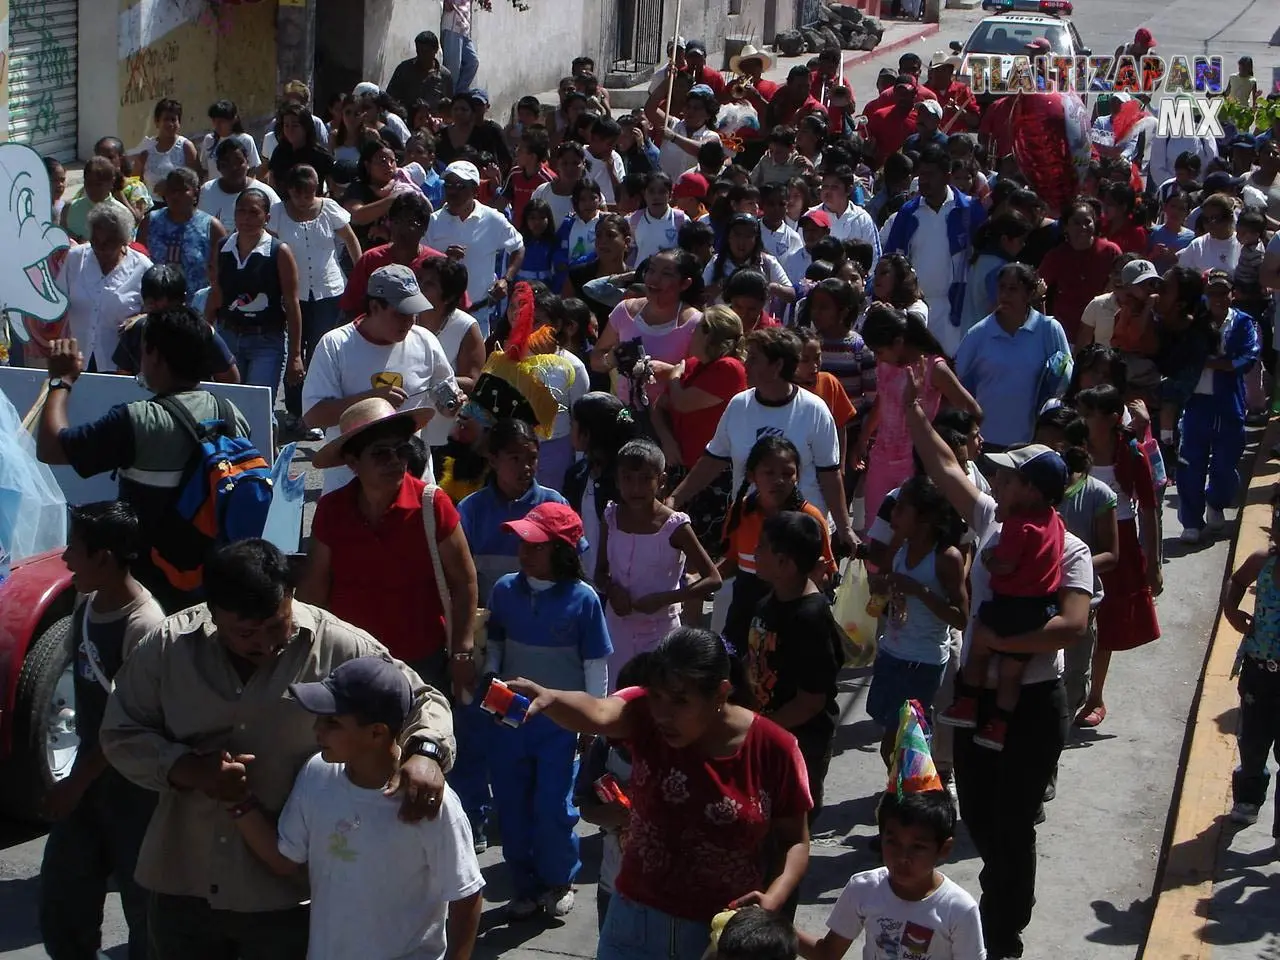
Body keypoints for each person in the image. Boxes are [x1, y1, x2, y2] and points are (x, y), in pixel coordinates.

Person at [98, 538, 454, 960]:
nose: (265, 645)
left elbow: (423, 701)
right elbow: (119, 731)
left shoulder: (339, 645)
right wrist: (185, 769)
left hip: (286, 898)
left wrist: (426, 753)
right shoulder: (168, 647)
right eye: (245, 633)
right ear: (213, 614)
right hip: (184, 882)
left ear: (291, 597)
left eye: (276, 626)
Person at [907, 377, 1094, 959]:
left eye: (1010, 474)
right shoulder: (989, 518)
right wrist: (915, 406)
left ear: (1031, 490)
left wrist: (999, 640)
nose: (997, 479)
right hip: (976, 699)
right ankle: (999, 908)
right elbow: (943, 470)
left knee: (1014, 824)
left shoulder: (1071, 551)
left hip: (1033, 704)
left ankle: (1003, 931)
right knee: (982, 818)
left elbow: (1073, 625)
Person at [509, 627, 813, 960]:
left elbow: (794, 840)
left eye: (681, 701)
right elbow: (598, 712)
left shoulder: (775, 749)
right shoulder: (644, 715)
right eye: (656, 696)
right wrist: (552, 699)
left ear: (721, 693)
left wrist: (772, 899)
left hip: (717, 939)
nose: (663, 714)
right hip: (633, 924)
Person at [230, 654, 483, 960]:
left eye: (332, 722)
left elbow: (466, 893)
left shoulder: (428, 802)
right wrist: (238, 801)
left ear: (377, 732)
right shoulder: (317, 773)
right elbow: (285, 859)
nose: (317, 731)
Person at [37, 310, 252, 612]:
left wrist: (61, 381)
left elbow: (51, 448)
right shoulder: (232, 415)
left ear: (154, 355)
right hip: (213, 588)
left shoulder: (137, 420)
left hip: (148, 595)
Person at [38, 502, 166, 960]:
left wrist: (73, 785)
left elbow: (128, 726)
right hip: (88, 788)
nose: (66, 557)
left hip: (131, 793)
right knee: (64, 902)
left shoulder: (144, 625)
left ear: (105, 558)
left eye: (75, 548)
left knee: (144, 914)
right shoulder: (87, 603)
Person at [483, 502, 613, 918]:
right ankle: (524, 885)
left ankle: (559, 879)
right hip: (509, 718)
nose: (524, 552)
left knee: (554, 805)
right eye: (522, 542)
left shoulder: (584, 599)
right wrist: (487, 676)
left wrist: (593, 720)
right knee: (512, 803)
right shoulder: (504, 589)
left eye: (535, 545)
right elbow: (496, 645)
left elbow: (596, 665)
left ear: (562, 552)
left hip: (561, 723)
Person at [298, 397, 478, 695]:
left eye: (402, 450)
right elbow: (316, 587)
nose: (395, 461)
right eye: (381, 454)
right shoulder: (332, 509)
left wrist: (462, 652)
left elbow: (465, 581)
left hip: (422, 663)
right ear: (353, 463)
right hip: (349, 659)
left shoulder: (432, 505)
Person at [672, 328, 857, 550]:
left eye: (754, 358)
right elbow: (713, 460)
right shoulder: (739, 405)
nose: (745, 364)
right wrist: (675, 498)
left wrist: (845, 529)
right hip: (750, 529)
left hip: (800, 532)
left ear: (777, 366)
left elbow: (830, 475)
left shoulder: (814, 410)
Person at [940, 446, 1067, 752]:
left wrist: (989, 560)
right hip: (1038, 612)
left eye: (1008, 481)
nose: (997, 483)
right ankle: (998, 726)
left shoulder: (1017, 526)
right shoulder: (1054, 521)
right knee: (1012, 673)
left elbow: (1006, 565)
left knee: (981, 646)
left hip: (1010, 608)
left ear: (1031, 490)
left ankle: (967, 704)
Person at [303, 264, 457, 494]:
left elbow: (446, 399)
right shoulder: (335, 345)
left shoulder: (425, 341)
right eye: (400, 313)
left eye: (413, 312)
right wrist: (371, 400)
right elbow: (313, 416)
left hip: (414, 482)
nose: (409, 321)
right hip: (350, 485)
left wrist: (451, 406)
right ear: (374, 306)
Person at [798, 770, 983, 960]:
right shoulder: (863, 888)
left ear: (944, 849)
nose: (902, 857)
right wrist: (772, 921)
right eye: (892, 842)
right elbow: (827, 953)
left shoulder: (959, 909)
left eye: (917, 847)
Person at [598, 440, 720, 686]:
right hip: (617, 628)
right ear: (617, 479)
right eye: (628, 478)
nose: (635, 487)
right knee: (619, 696)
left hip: (661, 631)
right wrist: (612, 590)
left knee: (659, 697)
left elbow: (713, 579)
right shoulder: (611, 518)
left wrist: (664, 599)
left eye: (645, 479)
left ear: (661, 480)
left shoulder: (675, 527)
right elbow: (600, 572)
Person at [747, 511, 845, 816]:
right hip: (768, 732)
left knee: (790, 821)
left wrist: (760, 728)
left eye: (762, 547)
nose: (754, 552)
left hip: (801, 742)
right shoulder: (769, 601)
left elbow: (811, 700)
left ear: (785, 564)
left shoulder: (810, 618)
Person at [868, 474, 967, 758]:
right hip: (892, 654)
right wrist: (885, 582)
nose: (893, 515)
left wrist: (920, 591)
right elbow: (879, 585)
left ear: (924, 518)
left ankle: (914, 794)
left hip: (922, 663)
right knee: (892, 737)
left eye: (901, 509)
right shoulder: (901, 547)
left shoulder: (946, 558)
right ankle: (905, 791)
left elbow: (961, 618)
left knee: (902, 745)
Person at [859, 303, 979, 520]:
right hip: (881, 460)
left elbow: (972, 409)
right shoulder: (886, 365)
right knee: (874, 530)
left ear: (898, 343)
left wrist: (962, 447)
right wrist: (864, 436)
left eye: (879, 351)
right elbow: (882, 401)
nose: (877, 358)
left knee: (911, 530)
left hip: (917, 463)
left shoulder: (935, 368)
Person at [272, 164, 363, 436]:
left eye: (311, 192)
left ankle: (316, 413)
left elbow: (350, 239)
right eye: (300, 194)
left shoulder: (330, 208)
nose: (305, 199)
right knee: (294, 350)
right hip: (292, 293)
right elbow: (272, 248)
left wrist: (360, 273)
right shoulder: (277, 213)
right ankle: (294, 410)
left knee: (319, 351)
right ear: (289, 191)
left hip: (328, 291)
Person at [1176, 269, 1259, 543]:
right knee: (1191, 462)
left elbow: (1247, 358)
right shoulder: (1193, 323)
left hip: (1228, 402)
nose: (1219, 299)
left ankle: (1216, 502)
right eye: (1213, 293)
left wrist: (1213, 362)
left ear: (1232, 293)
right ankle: (1191, 521)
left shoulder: (1243, 322)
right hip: (1197, 402)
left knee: (1226, 462)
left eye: (1224, 292)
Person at [205, 188, 305, 413]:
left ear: (266, 218)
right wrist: (205, 333)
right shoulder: (222, 247)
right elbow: (216, 293)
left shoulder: (279, 252)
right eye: (241, 212)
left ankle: (266, 448)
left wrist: (296, 355)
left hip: (266, 341)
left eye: (253, 212)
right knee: (228, 407)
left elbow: (291, 303)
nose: (246, 218)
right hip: (228, 337)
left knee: (258, 410)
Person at [954, 264, 1073, 451]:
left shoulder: (1049, 330)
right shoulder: (978, 334)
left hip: (1034, 444)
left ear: (1029, 293)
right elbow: (955, 378)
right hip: (986, 442)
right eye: (1002, 287)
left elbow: (1065, 381)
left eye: (1013, 289)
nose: (1005, 295)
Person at [882, 145, 985, 358]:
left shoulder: (969, 210)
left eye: (930, 175)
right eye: (921, 174)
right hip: (917, 310)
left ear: (947, 176)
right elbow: (892, 258)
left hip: (959, 309)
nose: (924, 181)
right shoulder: (908, 213)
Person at [573, 654, 648, 931]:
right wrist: (606, 813)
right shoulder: (605, 748)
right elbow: (585, 806)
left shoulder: (678, 753)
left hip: (665, 892)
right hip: (614, 881)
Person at [1221, 492, 1280, 837]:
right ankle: (1248, 799)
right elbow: (1237, 582)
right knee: (1254, 740)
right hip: (1259, 670)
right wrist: (1232, 611)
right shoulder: (1262, 560)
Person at [591, 248, 704, 406]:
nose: (654, 279)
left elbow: (702, 381)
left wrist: (668, 372)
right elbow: (596, 359)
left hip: (669, 418)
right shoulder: (624, 311)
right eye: (651, 270)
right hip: (624, 412)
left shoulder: (696, 323)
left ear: (685, 284)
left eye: (666, 274)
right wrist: (611, 359)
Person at [426, 160, 526, 336]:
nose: (453, 191)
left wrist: (506, 279)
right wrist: (442, 258)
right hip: (438, 314)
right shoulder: (432, 222)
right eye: (448, 185)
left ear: (475, 190)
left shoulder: (492, 219)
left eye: (460, 186)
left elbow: (518, 247)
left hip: (478, 315)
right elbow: (421, 264)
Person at [55, 204, 152, 371]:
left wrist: (142, 318)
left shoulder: (143, 267)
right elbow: (58, 300)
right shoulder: (76, 258)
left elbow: (158, 314)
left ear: (124, 240)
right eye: (95, 241)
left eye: (108, 243)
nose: (100, 248)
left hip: (120, 366)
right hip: (77, 360)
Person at [112, 264, 239, 384]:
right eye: (156, 311)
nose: (164, 319)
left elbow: (231, 381)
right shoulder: (134, 331)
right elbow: (123, 383)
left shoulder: (202, 332)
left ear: (183, 300)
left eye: (169, 310)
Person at [565, 393, 644, 581]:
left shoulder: (624, 481)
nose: (570, 430)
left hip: (618, 584)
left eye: (573, 424)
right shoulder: (577, 474)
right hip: (584, 578)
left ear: (588, 433)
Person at [340, 192, 446, 317]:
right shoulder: (370, 259)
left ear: (424, 228)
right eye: (397, 221)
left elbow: (457, 309)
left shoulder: (439, 265)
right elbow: (351, 306)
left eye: (411, 222)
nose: (402, 228)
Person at [1039, 199, 1121, 342]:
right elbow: (1038, 287)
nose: (1083, 227)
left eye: (1087, 222)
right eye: (1076, 223)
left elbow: (1124, 283)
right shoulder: (1056, 256)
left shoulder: (1110, 252)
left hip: (1103, 333)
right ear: (1066, 227)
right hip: (1067, 335)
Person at [138, 167, 225, 301]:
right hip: (156, 303)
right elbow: (138, 264)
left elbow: (221, 271)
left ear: (196, 192)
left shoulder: (212, 227)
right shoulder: (150, 222)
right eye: (171, 190)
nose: (175, 196)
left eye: (182, 190)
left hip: (196, 306)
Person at [197, 138, 282, 228]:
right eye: (226, 163)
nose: (234, 168)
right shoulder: (205, 193)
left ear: (247, 162)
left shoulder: (265, 193)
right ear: (218, 166)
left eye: (239, 162)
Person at [131, 98, 199, 198]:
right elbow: (136, 181)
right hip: (151, 207)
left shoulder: (186, 147)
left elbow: (196, 180)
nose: (170, 124)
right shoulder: (146, 149)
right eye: (166, 119)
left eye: (173, 120)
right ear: (157, 122)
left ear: (179, 123)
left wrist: (170, 186)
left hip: (180, 207)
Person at [265, 103, 337, 195]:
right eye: (286, 125)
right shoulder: (279, 152)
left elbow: (333, 188)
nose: (290, 130)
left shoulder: (320, 155)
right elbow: (272, 183)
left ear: (306, 127)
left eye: (295, 125)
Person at [61, 155, 135, 243]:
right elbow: (61, 236)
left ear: (111, 182)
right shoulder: (70, 208)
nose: (93, 189)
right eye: (89, 183)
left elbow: (126, 246)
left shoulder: (122, 214)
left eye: (98, 184)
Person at [388, 30, 455, 110]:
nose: (422, 56)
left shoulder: (445, 76)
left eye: (426, 52)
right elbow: (390, 98)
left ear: (436, 50)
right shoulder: (404, 69)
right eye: (419, 51)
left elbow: (449, 107)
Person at [197, 100, 261, 181]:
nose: (217, 125)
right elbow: (204, 169)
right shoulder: (209, 140)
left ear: (233, 120)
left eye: (221, 121)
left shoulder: (246, 140)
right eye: (214, 121)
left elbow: (253, 169)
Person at [441, 0, 479, 95]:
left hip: (464, 29)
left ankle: (458, 95)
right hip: (452, 27)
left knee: (473, 62)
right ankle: (450, 100)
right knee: (453, 70)